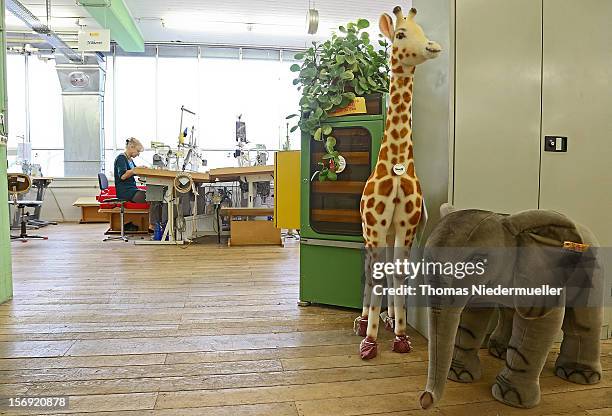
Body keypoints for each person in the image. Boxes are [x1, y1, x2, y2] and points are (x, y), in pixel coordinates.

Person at [114, 137, 161, 228]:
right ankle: (153, 225)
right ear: (131, 147)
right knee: (155, 197)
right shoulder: (121, 158)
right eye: (138, 151)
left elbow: (135, 172)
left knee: (156, 195)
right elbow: (123, 176)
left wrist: (143, 170)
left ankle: (156, 224)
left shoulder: (130, 160)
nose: (138, 154)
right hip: (126, 192)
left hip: (132, 190)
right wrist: (136, 170)